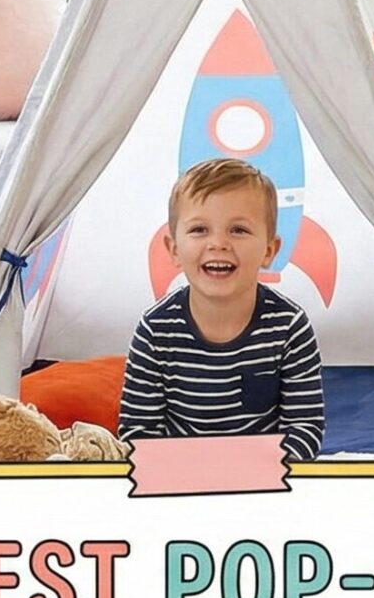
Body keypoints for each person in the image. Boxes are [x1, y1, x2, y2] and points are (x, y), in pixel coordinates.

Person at [118, 157, 325, 461]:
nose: (218, 243)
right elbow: (138, 431)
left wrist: (270, 471)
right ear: (174, 249)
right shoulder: (155, 329)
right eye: (200, 229)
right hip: (180, 479)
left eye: (238, 230)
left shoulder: (290, 326)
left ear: (269, 250)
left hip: (266, 478)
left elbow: (305, 426)